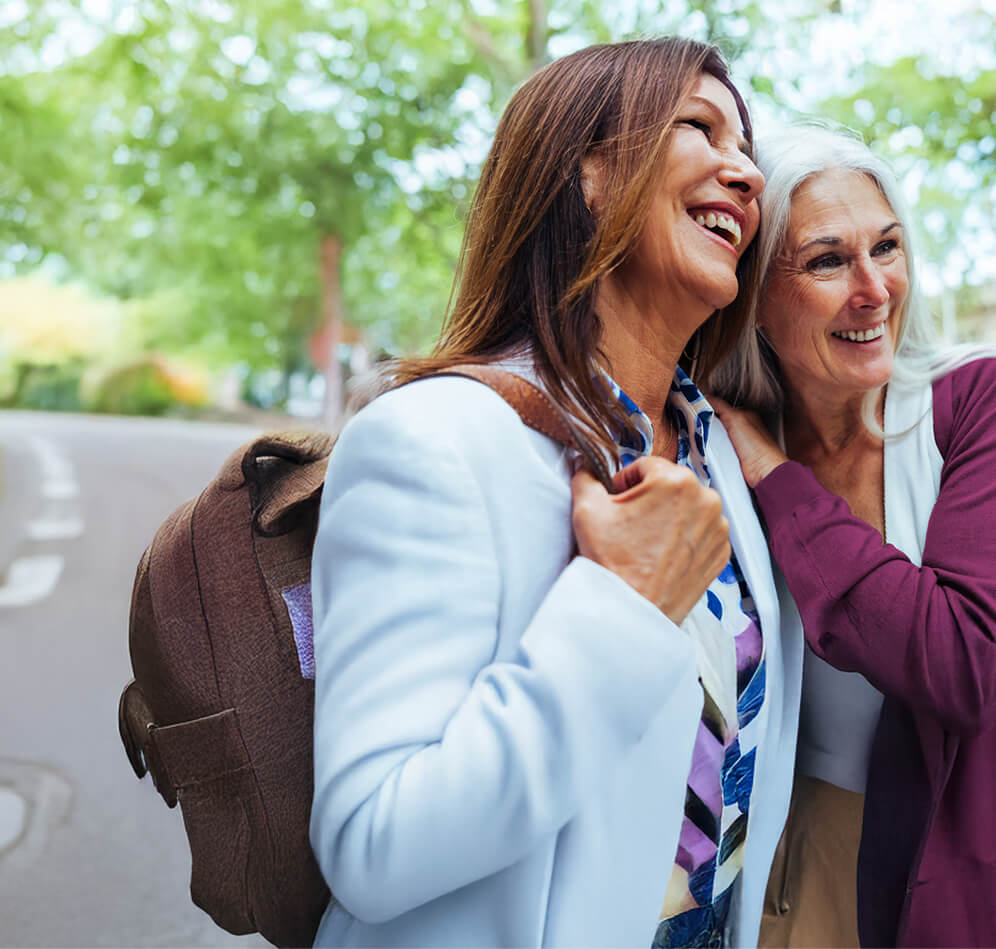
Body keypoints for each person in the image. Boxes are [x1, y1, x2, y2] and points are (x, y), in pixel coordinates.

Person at [308, 38, 801, 948]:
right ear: (590, 175)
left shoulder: (717, 455)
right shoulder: (434, 439)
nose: (745, 172)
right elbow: (371, 845)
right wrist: (623, 609)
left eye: (748, 151)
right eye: (700, 127)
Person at [708, 123, 996, 948]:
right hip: (788, 854)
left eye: (888, 247)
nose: (875, 289)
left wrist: (778, 479)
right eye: (829, 260)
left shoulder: (971, 403)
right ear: (754, 294)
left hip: (956, 851)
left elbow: (961, 660)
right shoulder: (717, 441)